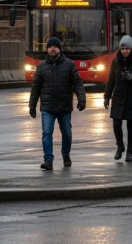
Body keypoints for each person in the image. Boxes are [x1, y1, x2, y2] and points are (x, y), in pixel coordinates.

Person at [28, 37, 86, 171]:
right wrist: (32, 105)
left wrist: (81, 100)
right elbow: (36, 87)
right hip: (47, 107)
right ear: (47, 49)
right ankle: (48, 160)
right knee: (47, 133)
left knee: (67, 133)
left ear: (59, 49)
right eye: (49, 47)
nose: (52, 49)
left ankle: (66, 154)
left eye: (55, 47)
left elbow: (78, 83)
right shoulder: (41, 66)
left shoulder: (69, 65)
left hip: (64, 106)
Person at [103, 36, 132, 162]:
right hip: (118, 96)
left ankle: (130, 152)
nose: (124, 51)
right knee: (116, 124)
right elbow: (111, 80)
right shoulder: (116, 61)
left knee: (131, 126)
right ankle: (120, 146)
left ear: (131, 48)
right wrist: (107, 97)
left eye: (127, 48)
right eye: (122, 48)